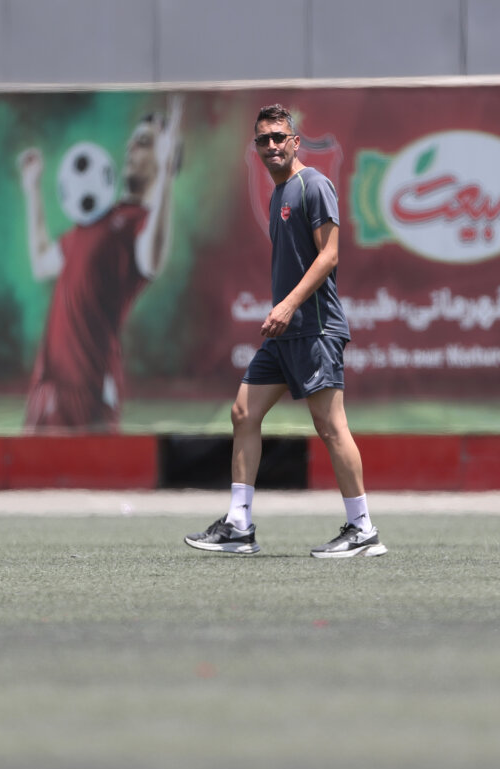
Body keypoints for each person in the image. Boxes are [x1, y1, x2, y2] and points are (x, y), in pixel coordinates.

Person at [185, 104, 386, 559]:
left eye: (279, 137)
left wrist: (289, 304)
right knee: (243, 412)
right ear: (256, 147)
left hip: (315, 327)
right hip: (285, 333)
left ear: (295, 142)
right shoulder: (279, 194)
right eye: (264, 139)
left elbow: (330, 255)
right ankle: (239, 525)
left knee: (330, 426)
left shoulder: (314, 184)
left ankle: (362, 530)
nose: (272, 145)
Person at [17, 95, 182, 431]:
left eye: (144, 142)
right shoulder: (97, 220)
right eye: (133, 140)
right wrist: (32, 189)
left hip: (88, 390)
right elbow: (41, 263)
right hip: (47, 384)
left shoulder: (139, 225)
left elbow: (152, 258)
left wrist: (166, 174)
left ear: (167, 158)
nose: (131, 147)